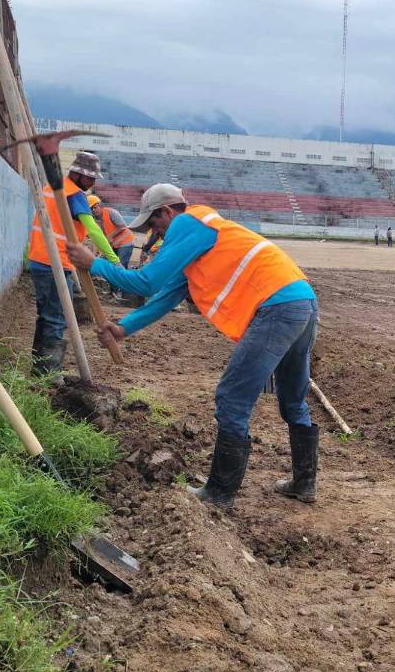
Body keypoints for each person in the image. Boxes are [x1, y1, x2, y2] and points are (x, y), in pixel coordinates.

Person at [65, 183, 320, 510]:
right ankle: (304, 483)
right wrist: (123, 328)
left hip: (276, 308)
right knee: (292, 398)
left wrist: (94, 264)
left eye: (154, 224)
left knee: (231, 399)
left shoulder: (190, 222)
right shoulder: (200, 244)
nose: (154, 234)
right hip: (302, 303)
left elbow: (146, 282)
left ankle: (219, 494)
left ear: (168, 212)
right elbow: (164, 297)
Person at [27, 151, 119, 374]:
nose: (93, 183)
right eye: (90, 178)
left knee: (46, 316)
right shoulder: (75, 194)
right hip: (55, 263)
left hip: (40, 259)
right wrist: (113, 257)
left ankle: (39, 370)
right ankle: (49, 373)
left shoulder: (52, 189)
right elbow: (93, 229)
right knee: (57, 319)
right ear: (78, 174)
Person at [88, 194, 135, 269]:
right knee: (111, 265)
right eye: (90, 209)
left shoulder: (111, 212)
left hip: (125, 242)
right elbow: (96, 237)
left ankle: (123, 280)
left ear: (100, 205)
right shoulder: (94, 220)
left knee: (121, 265)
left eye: (94, 207)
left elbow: (123, 227)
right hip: (114, 244)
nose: (93, 210)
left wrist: (110, 236)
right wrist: (94, 256)